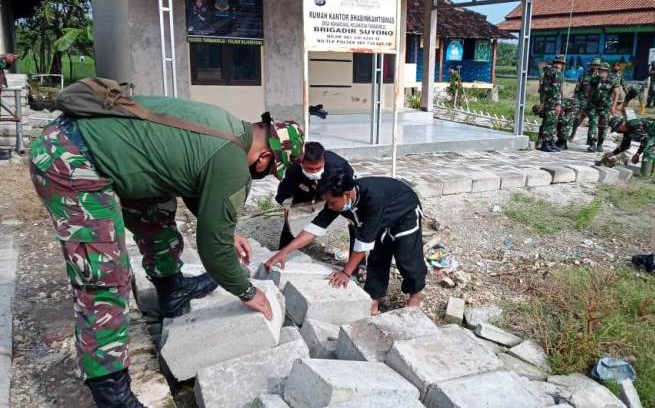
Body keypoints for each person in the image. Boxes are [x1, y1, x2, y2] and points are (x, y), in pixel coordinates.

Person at [29, 80, 303, 407]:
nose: (263, 173)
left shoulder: (225, 124)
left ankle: (171, 289)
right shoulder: (233, 165)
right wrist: (249, 292)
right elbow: (213, 252)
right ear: (265, 157)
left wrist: (225, 230)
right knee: (104, 277)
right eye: (270, 170)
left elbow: (189, 177)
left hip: (81, 139)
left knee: (156, 207)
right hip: (71, 159)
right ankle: (110, 391)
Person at [266, 169, 426, 316]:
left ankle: (415, 294)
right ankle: (374, 300)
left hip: (404, 212)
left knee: (406, 257)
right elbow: (313, 229)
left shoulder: (372, 198)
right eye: (327, 202)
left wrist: (346, 272)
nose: (329, 206)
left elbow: (362, 244)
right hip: (380, 218)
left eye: (332, 203)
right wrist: (284, 252)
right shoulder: (336, 201)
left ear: (348, 195)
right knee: (378, 257)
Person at [275, 141, 354, 249]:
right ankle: (284, 250)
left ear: (323, 160)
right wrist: (287, 210)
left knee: (353, 217)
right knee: (293, 219)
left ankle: (359, 262)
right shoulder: (294, 170)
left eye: (318, 168)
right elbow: (284, 194)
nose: (315, 172)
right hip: (305, 192)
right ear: (302, 162)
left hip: (332, 191)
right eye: (310, 169)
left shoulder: (337, 166)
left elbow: (349, 185)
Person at [585, 62, 617, 153]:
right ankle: (592, 144)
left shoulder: (613, 80)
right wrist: (588, 103)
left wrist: (613, 106)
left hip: (605, 107)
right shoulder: (594, 79)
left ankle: (600, 144)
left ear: (607, 72)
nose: (600, 72)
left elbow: (616, 93)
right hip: (594, 106)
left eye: (603, 70)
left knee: (603, 127)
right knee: (593, 124)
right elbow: (590, 92)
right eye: (600, 70)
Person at [537, 54, 565, 152]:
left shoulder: (547, 72)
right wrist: (558, 103)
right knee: (550, 123)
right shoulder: (557, 73)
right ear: (561, 64)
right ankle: (546, 143)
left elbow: (543, 89)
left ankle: (550, 143)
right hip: (553, 102)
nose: (561, 65)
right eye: (561, 63)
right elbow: (557, 89)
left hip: (547, 101)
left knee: (550, 122)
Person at [569, 57, 601, 142]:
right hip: (583, 100)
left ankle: (590, 139)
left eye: (597, 65)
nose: (595, 67)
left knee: (593, 121)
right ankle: (572, 134)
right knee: (578, 119)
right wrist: (576, 97)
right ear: (591, 66)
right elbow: (578, 87)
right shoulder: (585, 75)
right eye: (594, 65)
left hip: (594, 102)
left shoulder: (600, 77)